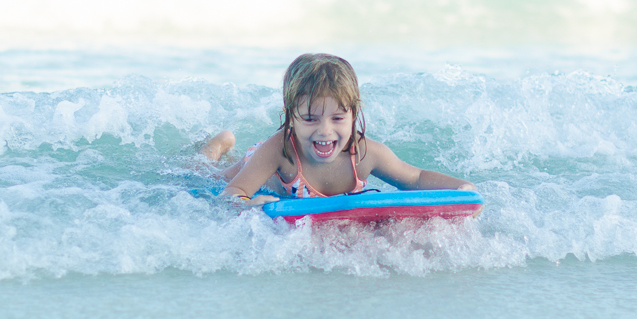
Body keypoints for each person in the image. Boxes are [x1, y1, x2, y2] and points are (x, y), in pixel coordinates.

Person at [202, 53, 475, 205]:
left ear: (354, 114)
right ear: (290, 119)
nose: (325, 130)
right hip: (256, 166)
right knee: (204, 176)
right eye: (310, 119)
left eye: (337, 118)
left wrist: (461, 188)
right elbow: (231, 195)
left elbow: (414, 179)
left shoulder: (366, 154)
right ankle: (217, 146)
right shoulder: (280, 150)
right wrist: (254, 203)